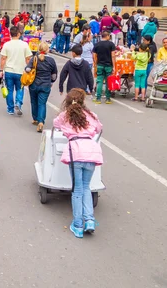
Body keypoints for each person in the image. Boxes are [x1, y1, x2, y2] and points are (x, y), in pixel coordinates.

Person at [53, 88, 103, 239]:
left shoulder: (65, 116)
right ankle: (89, 220)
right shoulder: (91, 115)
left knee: (77, 190)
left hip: (76, 152)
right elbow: (99, 128)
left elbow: (55, 124)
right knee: (86, 187)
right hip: (92, 151)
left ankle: (78, 224)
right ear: (83, 101)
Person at [0, 26, 33, 115]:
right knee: (20, 88)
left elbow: (3, 58)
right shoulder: (24, 45)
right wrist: (29, 69)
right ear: (18, 34)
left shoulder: (7, 44)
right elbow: (28, 59)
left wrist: (1, 70)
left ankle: (10, 109)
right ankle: (18, 103)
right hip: (20, 71)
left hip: (9, 71)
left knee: (9, 90)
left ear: (10, 34)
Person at [25, 42, 57, 132]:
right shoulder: (51, 60)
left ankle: (35, 118)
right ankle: (41, 122)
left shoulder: (34, 58)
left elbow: (27, 69)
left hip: (34, 84)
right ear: (47, 50)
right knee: (42, 103)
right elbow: (54, 75)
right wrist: (51, 81)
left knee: (34, 101)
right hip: (46, 84)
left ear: (39, 49)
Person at [92, 31, 117, 104]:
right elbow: (113, 56)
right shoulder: (111, 44)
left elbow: (94, 56)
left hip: (100, 65)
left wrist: (96, 64)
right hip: (109, 65)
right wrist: (114, 66)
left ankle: (98, 98)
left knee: (99, 81)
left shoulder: (97, 44)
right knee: (108, 82)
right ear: (108, 36)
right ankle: (108, 98)